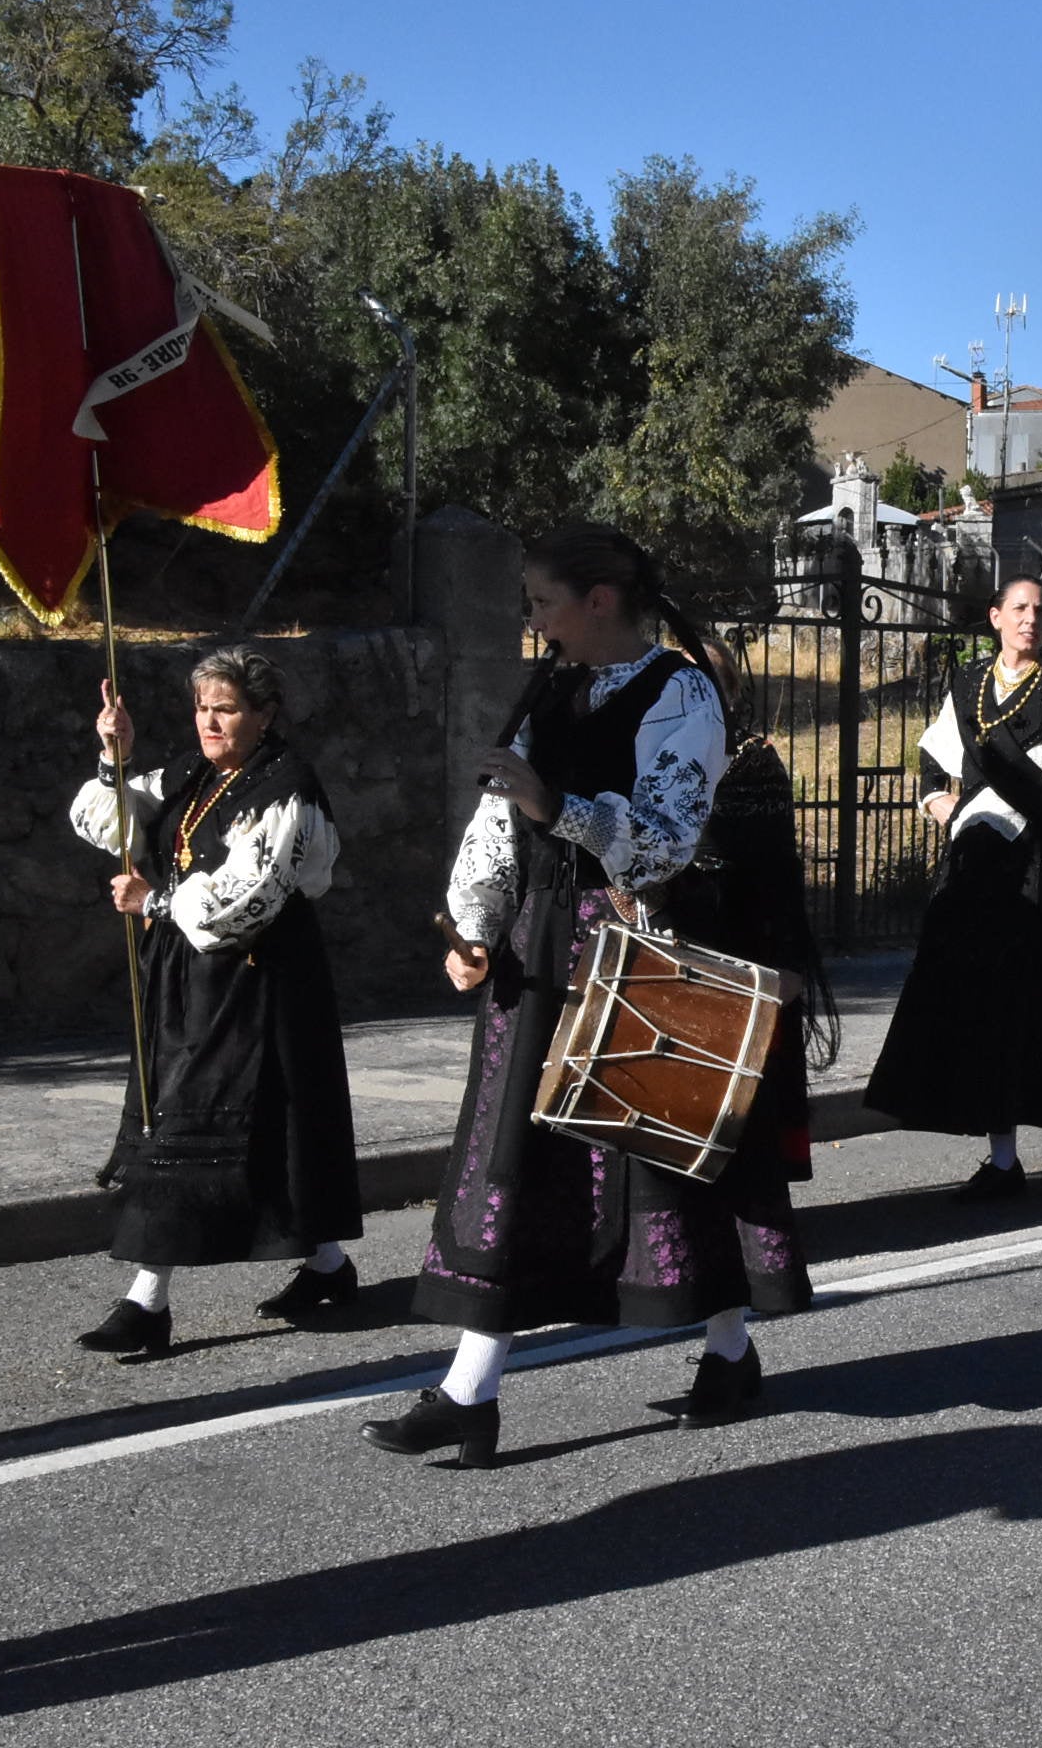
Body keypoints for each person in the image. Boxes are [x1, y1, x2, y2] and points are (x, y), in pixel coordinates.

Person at [365, 525, 819, 1467]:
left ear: (600, 600)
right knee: (514, 1162)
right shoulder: (554, 685)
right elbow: (501, 811)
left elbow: (666, 836)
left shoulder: (680, 690)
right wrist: (474, 927)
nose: (533, 620)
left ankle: (728, 1351)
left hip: (635, 948)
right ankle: (471, 1390)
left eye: (543, 602)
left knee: (670, 1163)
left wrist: (555, 807)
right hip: (544, 950)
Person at [67, 648, 361, 1358]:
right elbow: (112, 821)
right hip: (187, 975)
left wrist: (157, 899)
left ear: (263, 714)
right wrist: (115, 757)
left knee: (188, 1122)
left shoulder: (286, 786)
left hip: (257, 981)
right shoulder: (193, 774)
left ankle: (147, 1300)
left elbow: (248, 897)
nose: (210, 721)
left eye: (226, 708)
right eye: (203, 707)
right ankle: (327, 1265)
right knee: (259, 1126)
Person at [866, 574, 1042, 1198]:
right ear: (995, 617)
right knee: (984, 1017)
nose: (1030, 619)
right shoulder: (969, 686)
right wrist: (943, 806)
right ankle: (1003, 1161)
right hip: (979, 875)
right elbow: (933, 761)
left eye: (1040, 610)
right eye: (1018, 608)